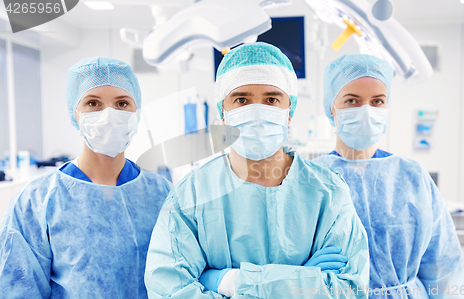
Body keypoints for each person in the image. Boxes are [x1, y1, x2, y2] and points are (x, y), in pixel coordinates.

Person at [145, 42, 369, 299]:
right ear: (223, 112)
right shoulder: (192, 196)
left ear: (289, 112)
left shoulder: (327, 193)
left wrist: (227, 281)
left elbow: (350, 290)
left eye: (272, 99)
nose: (257, 111)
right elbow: (169, 290)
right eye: (241, 99)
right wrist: (300, 282)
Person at [0, 57, 173, 298]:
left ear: (137, 113)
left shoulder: (163, 194)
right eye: (93, 103)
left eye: (122, 103)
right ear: (75, 114)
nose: (109, 116)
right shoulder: (36, 202)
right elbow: (19, 289)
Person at [314, 54, 464, 298]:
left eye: (377, 101)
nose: (366, 110)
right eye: (352, 101)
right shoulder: (312, 179)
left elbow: (443, 266)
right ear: (330, 108)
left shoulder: (413, 176)